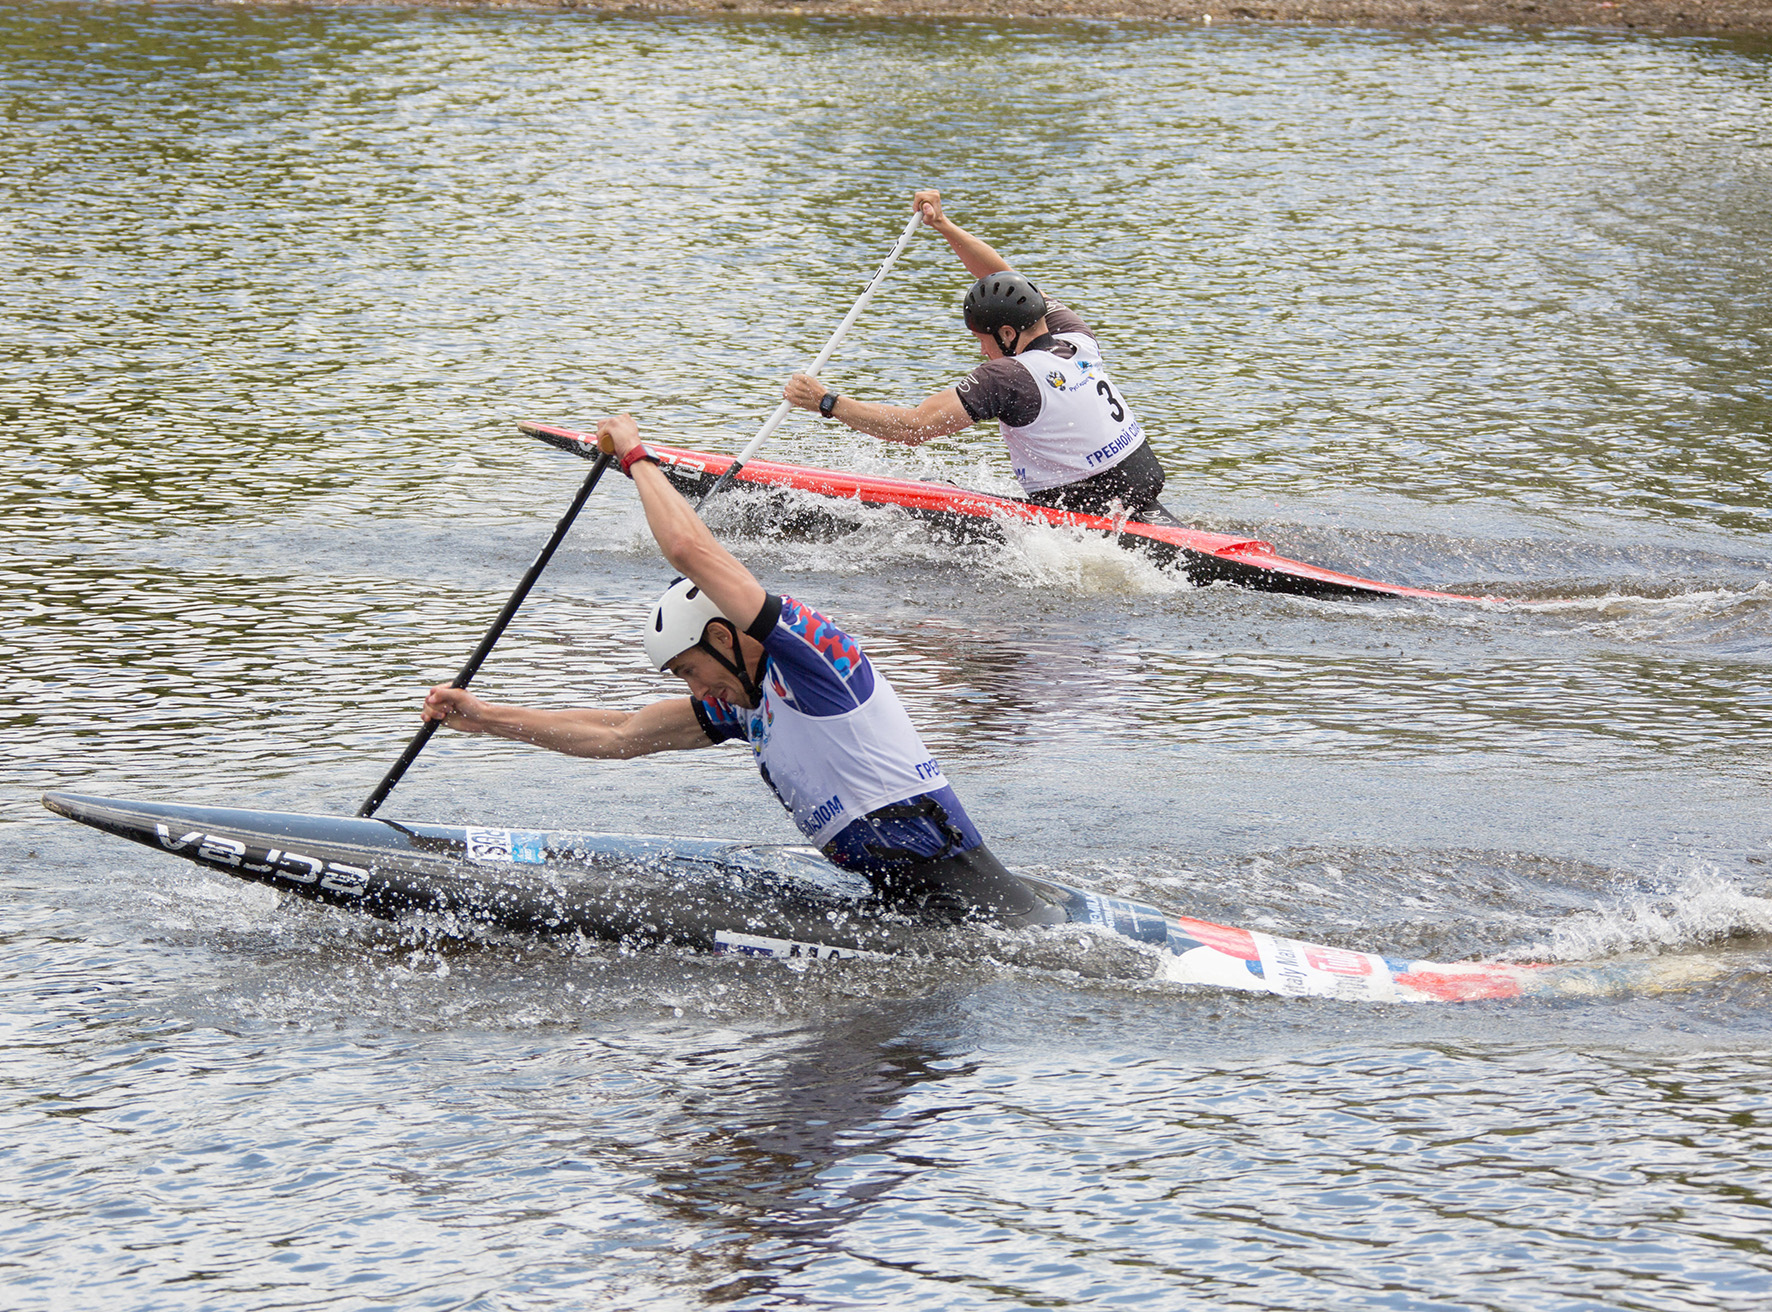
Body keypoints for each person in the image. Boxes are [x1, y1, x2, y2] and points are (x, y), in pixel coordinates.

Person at [421, 414, 1058, 927]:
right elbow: (618, 735)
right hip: (911, 910)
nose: (700, 691)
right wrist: (485, 718)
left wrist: (635, 457)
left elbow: (689, 550)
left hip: (981, 919)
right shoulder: (748, 704)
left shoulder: (815, 663)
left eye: (695, 670)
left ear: (725, 636)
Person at [782, 188, 1177, 524]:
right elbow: (1004, 279)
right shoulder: (1073, 334)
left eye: (981, 339)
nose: (981, 350)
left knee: (920, 503)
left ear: (1007, 333)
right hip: (1135, 493)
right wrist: (942, 225)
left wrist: (825, 402)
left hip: (1081, 516)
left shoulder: (1008, 377)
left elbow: (913, 428)